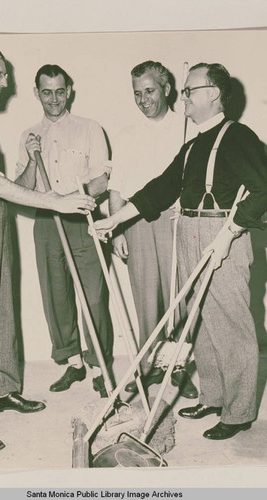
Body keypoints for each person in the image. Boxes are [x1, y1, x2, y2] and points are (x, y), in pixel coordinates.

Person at [95, 62, 267, 440]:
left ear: (213, 94)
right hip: (188, 229)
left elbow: (263, 189)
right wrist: (117, 219)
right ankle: (214, 395)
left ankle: (238, 411)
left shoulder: (238, 136)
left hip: (223, 232)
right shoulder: (192, 145)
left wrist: (231, 232)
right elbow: (160, 189)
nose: (184, 96)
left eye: (189, 90)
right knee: (200, 318)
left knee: (231, 321)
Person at [0, 45, 96, 453]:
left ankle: (1, 389)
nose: (4, 83)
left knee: (4, 311)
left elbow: (1, 184)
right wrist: (56, 201)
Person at [15, 64, 113, 397]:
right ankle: (74, 364)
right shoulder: (29, 136)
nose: (54, 99)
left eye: (60, 91)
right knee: (55, 296)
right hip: (46, 222)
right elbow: (21, 187)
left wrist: (74, 198)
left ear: (68, 90)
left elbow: (101, 179)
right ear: (36, 93)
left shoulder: (89, 128)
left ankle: (99, 367)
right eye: (47, 92)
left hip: (81, 219)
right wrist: (31, 159)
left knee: (94, 297)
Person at [108, 60, 197, 399]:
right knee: (146, 300)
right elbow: (117, 187)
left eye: (149, 91)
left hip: (175, 220)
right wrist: (117, 230)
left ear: (167, 89)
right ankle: (147, 370)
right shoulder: (127, 134)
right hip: (136, 223)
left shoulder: (187, 127)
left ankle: (178, 369)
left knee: (180, 300)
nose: (143, 100)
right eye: (137, 94)